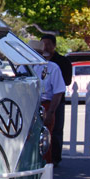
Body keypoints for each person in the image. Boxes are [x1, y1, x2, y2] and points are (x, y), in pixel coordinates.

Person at [40, 34, 71, 165]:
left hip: (56, 101)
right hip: (40, 101)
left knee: (56, 130)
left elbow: (66, 82)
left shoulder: (62, 61)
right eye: (43, 44)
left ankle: (55, 158)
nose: (46, 47)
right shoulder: (37, 61)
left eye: (48, 44)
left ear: (54, 45)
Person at [35, 47, 66, 165]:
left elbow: (58, 91)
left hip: (45, 104)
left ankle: (45, 167)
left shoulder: (52, 67)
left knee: (45, 138)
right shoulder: (24, 67)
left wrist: (51, 111)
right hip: (29, 104)